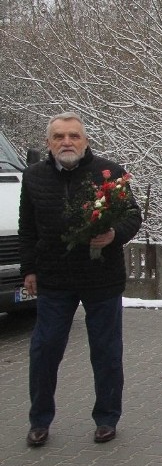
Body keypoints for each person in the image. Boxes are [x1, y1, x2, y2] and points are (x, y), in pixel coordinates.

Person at [19, 112, 142, 447]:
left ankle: (106, 419)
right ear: (49, 143)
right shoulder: (33, 177)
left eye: (73, 135)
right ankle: (39, 420)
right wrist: (28, 269)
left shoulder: (109, 173)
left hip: (101, 279)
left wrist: (114, 233)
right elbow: (27, 229)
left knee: (106, 351)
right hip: (54, 280)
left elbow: (133, 216)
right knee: (44, 352)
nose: (67, 142)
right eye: (59, 136)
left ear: (85, 140)